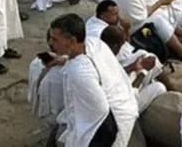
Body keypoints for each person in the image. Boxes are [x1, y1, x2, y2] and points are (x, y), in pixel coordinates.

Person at [49, 13, 138, 147]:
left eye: (55, 39)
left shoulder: (79, 72)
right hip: (126, 104)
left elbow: (100, 111)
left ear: (72, 41)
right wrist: (62, 60)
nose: (50, 43)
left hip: (113, 124)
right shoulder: (94, 42)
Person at [100, 25, 167, 113]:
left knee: (143, 54)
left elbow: (119, 71)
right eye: (121, 45)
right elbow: (130, 95)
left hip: (121, 85)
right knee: (159, 87)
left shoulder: (101, 52)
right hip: (123, 108)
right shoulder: (104, 67)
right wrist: (143, 71)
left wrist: (132, 67)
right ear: (116, 46)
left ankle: (156, 79)